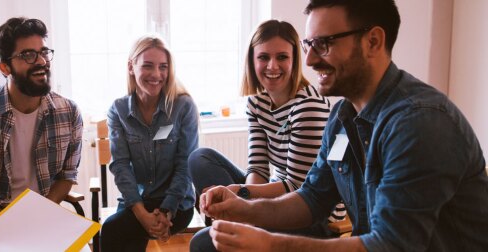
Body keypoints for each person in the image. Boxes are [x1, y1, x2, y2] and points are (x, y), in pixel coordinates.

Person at [200, 0, 488, 251]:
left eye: (324, 44)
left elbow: (391, 246)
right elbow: (311, 199)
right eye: (309, 45)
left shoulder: (420, 122)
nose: (310, 60)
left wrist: (270, 245)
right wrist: (244, 207)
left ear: (373, 41)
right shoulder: (342, 117)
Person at [188, 20, 345, 251]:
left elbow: (298, 187)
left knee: (203, 242)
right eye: (263, 57)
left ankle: (236, 228)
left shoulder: (308, 105)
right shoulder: (256, 103)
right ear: (252, 61)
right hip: (276, 196)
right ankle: (237, 226)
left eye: (282, 57)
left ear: (294, 60)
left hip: (311, 211)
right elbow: (258, 169)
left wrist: (242, 197)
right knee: (200, 159)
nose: (272, 66)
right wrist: (245, 204)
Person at [0, 17, 83, 228]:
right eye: (28, 55)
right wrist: (13, 225)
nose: (41, 61)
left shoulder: (68, 112)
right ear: (4, 67)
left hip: (43, 217)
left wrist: (43, 213)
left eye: (44, 52)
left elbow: (67, 175)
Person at [100, 35, 198, 251]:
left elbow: (185, 165)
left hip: (177, 202)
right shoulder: (118, 110)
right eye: (148, 66)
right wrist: (142, 213)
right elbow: (121, 166)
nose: (156, 74)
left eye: (163, 67)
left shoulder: (183, 107)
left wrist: (166, 211)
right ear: (131, 67)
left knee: (115, 231)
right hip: (138, 201)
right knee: (116, 230)